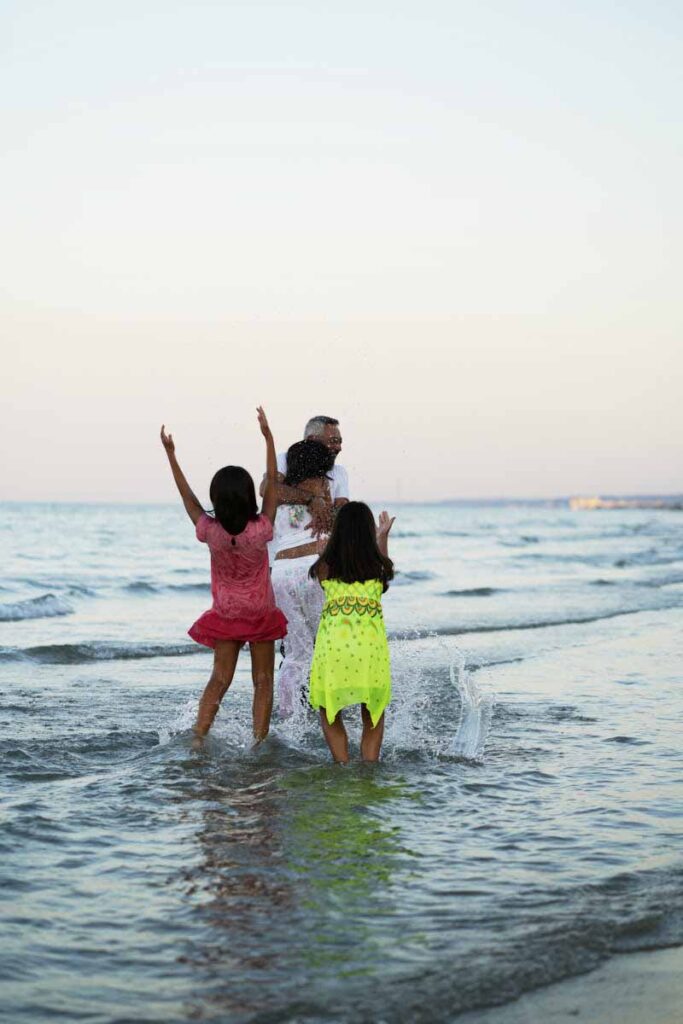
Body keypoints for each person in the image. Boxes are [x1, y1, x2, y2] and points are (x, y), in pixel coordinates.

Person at [160, 407, 286, 744]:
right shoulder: (261, 529)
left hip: (227, 614)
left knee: (219, 679)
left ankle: (200, 735)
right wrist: (269, 437)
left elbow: (188, 499)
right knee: (263, 681)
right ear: (248, 497)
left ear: (217, 498)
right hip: (260, 612)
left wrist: (171, 456)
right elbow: (273, 483)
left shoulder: (210, 531)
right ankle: (259, 742)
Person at [308, 502, 396, 764]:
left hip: (334, 651)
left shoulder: (324, 567)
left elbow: (326, 571)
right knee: (373, 712)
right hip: (370, 653)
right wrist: (382, 539)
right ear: (369, 532)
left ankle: (342, 763)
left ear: (338, 533)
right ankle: (369, 766)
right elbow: (382, 571)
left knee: (329, 711)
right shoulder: (379, 569)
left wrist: (323, 549)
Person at [270, 439, 336, 717]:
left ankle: (288, 715)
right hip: (313, 568)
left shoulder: (280, 495)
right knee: (326, 646)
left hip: (282, 573)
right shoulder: (322, 488)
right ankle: (329, 715)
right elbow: (332, 527)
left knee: (297, 654)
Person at [262, 415, 349, 538]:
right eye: (333, 441)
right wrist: (311, 500)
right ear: (311, 439)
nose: (339, 447)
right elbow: (266, 490)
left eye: (340, 442)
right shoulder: (285, 459)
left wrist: (325, 518)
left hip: (320, 542)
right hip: (286, 541)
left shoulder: (339, 472)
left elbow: (342, 511)